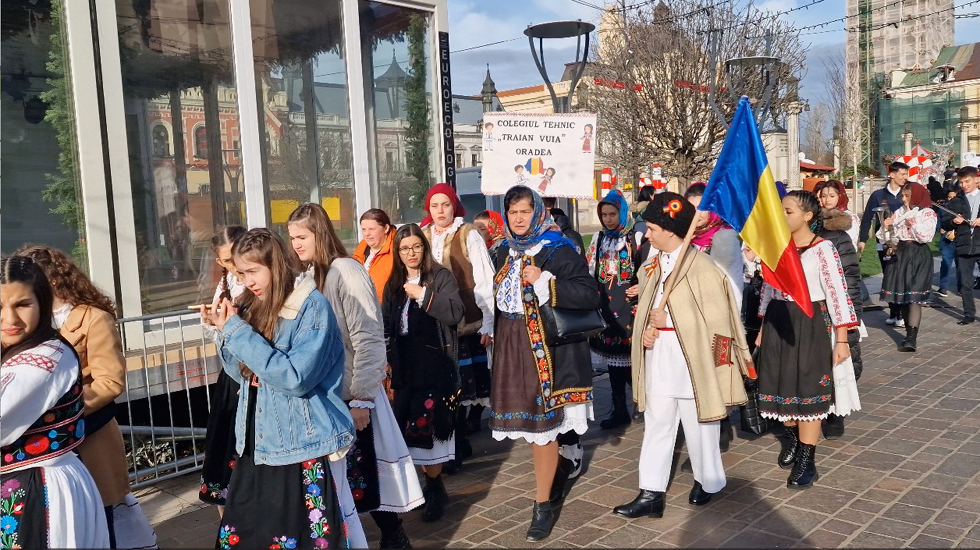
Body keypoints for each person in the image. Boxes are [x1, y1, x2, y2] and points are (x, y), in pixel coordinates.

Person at [201, 229, 366, 549]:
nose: (247, 281)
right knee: (248, 538)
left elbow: (295, 377)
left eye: (253, 271)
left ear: (274, 265)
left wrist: (236, 331)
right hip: (257, 441)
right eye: (240, 273)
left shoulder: (311, 307)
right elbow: (239, 373)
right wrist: (222, 330)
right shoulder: (252, 303)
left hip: (301, 442)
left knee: (303, 537)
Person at [287, 204, 422, 546]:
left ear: (319, 233)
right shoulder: (311, 276)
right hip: (328, 393)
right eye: (292, 238)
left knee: (367, 473)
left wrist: (362, 396)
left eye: (302, 237)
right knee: (347, 476)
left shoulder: (346, 270)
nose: (296, 244)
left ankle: (394, 537)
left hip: (353, 391)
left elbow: (368, 334)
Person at [613, 193, 750, 519]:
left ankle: (707, 479)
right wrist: (648, 329)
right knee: (657, 423)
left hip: (693, 361)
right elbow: (649, 307)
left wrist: (670, 320)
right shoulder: (653, 265)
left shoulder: (703, 268)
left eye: (652, 228)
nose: (647, 234)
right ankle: (651, 491)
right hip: (660, 356)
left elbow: (719, 322)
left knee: (700, 424)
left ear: (671, 230)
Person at [16, 245, 158, 548]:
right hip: (41, 446)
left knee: (98, 520)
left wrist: (59, 411)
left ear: (53, 279)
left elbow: (110, 381)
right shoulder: (27, 319)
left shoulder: (94, 319)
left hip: (89, 435)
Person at [490, 185, 599, 542]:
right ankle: (555, 474)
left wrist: (546, 281)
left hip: (548, 353)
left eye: (525, 211)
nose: (519, 218)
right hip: (511, 347)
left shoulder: (558, 249)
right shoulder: (502, 250)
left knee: (542, 430)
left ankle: (542, 505)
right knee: (527, 427)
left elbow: (589, 294)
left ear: (537, 212)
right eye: (513, 212)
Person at [1, 255, 110, 548]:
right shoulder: (21, 349)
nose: (10, 319)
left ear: (42, 303)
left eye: (22, 305)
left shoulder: (43, 360)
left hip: (38, 490)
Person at [756, 191, 857, 490]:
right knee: (780, 385)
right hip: (778, 320)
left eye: (788, 211)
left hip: (810, 321)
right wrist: (762, 327)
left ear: (807, 216)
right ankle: (792, 439)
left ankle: (807, 459)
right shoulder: (776, 245)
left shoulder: (822, 248)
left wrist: (842, 340)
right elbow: (768, 288)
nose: (781, 216)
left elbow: (837, 292)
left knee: (808, 389)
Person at [382, 223, 465, 524]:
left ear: (424, 248)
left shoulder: (439, 276)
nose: (411, 253)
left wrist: (424, 295)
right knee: (409, 431)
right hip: (405, 366)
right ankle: (428, 484)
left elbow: (455, 312)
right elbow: (387, 323)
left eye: (416, 246)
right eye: (405, 249)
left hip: (434, 363)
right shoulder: (394, 283)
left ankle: (434, 486)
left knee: (429, 428)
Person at [420, 183, 495, 473]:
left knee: (461, 388)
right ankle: (454, 443)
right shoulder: (424, 235)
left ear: (454, 206)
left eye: (445, 205)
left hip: (465, 321)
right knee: (443, 386)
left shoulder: (467, 234)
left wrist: (488, 322)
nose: (440, 211)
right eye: (434, 206)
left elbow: (484, 279)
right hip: (434, 323)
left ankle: (458, 444)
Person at [183, 226, 247, 516]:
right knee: (223, 453)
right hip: (231, 379)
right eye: (227, 260)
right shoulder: (226, 284)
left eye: (238, 255)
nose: (235, 265)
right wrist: (213, 322)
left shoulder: (259, 283)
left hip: (254, 378)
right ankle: (228, 526)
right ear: (220, 261)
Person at [808, 190, 865, 440]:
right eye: (820, 196)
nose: (825, 200)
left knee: (839, 361)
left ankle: (835, 413)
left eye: (829, 196)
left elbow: (850, 277)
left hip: (835, 310)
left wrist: (852, 315)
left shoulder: (838, 237)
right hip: (807, 313)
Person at [585, 190, 640, 429]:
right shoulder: (599, 239)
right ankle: (619, 410)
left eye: (613, 214)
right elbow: (591, 269)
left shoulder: (634, 238)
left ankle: (646, 403)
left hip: (629, 305)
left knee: (630, 361)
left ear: (622, 213)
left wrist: (641, 285)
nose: (608, 219)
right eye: (604, 215)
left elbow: (646, 266)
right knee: (613, 361)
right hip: (607, 305)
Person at [878, 183, 936, 351]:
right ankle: (908, 331)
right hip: (901, 253)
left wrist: (913, 224)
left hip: (918, 254)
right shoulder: (899, 212)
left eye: (907, 196)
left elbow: (926, 236)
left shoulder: (927, 213)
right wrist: (886, 226)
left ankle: (912, 338)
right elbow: (887, 238)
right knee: (902, 295)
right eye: (902, 196)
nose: (904, 199)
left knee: (913, 295)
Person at [859, 162, 912, 327]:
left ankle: (902, 313)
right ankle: (894, 312)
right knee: (888, 277)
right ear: (892, 174)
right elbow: (867, 218)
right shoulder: (878, 195)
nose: (905, 177)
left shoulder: (907, 193)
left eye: (906, 174)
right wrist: (862, 240)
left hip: (904, 242)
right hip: (884, 243)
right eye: (902, 174)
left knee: (901, 277)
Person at [942, 166, 980, 324]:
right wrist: (953, 221)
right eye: (961, 182)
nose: (964, 185)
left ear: (976, 180)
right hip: (964, 245)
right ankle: (969, 314)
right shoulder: (956, 201)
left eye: (967, 181)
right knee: (965, 283)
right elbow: (944, 222)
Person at [352, 209, 397, 303]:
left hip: (384, 306)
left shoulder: (397, 248)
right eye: (364, 229)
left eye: (371, 229)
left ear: (386, 228)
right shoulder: (362, 247)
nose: (367, 234)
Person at [814, 180, 861, 248]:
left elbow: (850, 243)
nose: (827, 200)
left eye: (832, 196)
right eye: (824, 196)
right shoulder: (818, 216)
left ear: (840, 196)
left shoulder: (849, 217)